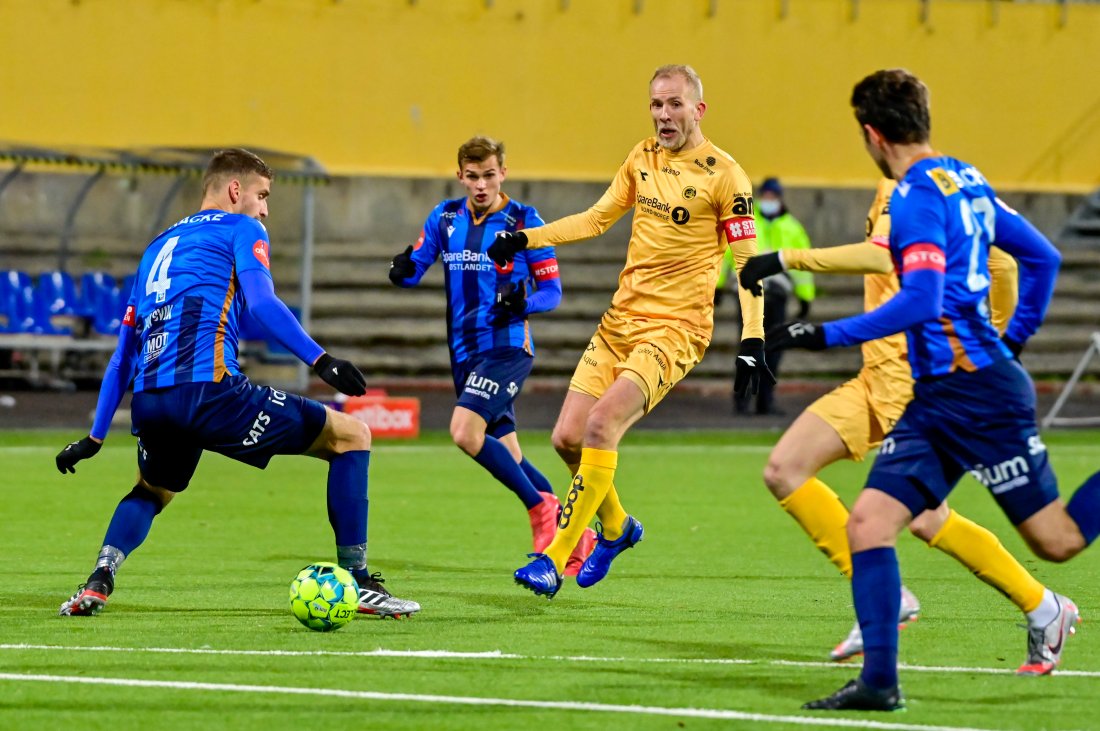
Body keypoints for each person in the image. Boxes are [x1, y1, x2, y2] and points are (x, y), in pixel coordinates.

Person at [769, 69, 1100, 712]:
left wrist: (823, 333)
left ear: (871, 134)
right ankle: (880, 684)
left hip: (978, 395)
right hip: (938, 397)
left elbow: (919, 298)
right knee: (869, 523)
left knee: (1056, 542)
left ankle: (1033, 610)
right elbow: (1043, 259)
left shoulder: (915, 198)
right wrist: (1018, 338)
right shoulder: (964, 179)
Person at [55, 148, 420, 620]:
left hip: (151, 400)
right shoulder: (242, 228)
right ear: (235, 190)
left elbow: (123, 353)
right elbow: (263, 305)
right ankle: (359, 580)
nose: (265, 208)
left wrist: (94, 437)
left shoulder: (156, 247)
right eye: (262, 195)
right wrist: (322, 359)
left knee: (152, 489)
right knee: (352, 436)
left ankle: (100, 578)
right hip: (211, 391)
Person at [741, 179, 1069, 671]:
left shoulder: (913, 189)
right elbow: (997, 263)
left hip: (913, 383)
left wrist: (791, 258)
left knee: (925, 517)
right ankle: (892, 600)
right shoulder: (895, 187)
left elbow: (885, 257)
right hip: (874, 378)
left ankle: (1044, 606)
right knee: (784, 468)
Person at [488, 64, 771, 598]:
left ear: (699, 110)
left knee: (600, 427)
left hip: (676, 329)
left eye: (675, 104)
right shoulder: (641, 158)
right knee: (567, 438)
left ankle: (553, 558)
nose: (664, 115)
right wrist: (526, 239)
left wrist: (753, 338)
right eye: (656, 104)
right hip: (621, 321)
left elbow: (748, 264)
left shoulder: (726, 176)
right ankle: (617, 529)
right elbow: (595, 219)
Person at [387, 136, 595, 572]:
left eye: (489, 175)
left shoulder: (525, 220)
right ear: (460, 175)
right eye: (472, 176)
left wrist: (523, 305)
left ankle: (539, 513)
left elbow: (552, 292)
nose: (481, 184)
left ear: (503, 173)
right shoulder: (444, 218)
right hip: (463, 354)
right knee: (510, 454)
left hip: (505, 349)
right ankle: (577, 529)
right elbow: (416, 266)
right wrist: (401, 272)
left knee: (464, 432)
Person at [724, 177, 814, 415]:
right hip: (748, 293)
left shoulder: (793, 228)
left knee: (773, 348)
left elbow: (802, 264)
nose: (768, 201)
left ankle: (765, 401)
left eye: (772, 196)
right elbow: (726, 256)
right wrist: (717, 286)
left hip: (776, 294)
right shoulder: (746, 223)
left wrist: (805, 296)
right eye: (766, 196)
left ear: (780, 198)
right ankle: (742, 401)